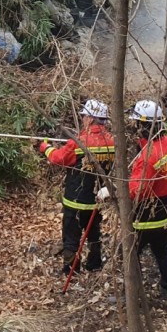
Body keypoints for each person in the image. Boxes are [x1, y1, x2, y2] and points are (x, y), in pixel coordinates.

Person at [98, 100, 167, 299]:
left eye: (135, 123)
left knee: (128, 254)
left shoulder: (148, 157)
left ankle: (132, 296)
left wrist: (111, 191)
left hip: (147, 215)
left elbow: (136, 190)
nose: (133, 127)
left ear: (143, 125)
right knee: (161, 249)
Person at [40, 99, 115, 275]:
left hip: (75, 199)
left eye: (84, 116)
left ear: (91, 118)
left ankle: (71, 269)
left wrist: (46, 148)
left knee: (71, 236)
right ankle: (94, 264)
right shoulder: (112, 141)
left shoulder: (79, 142)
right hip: (97, 198)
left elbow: (59, 158)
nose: (82, 119)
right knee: (93, 232)